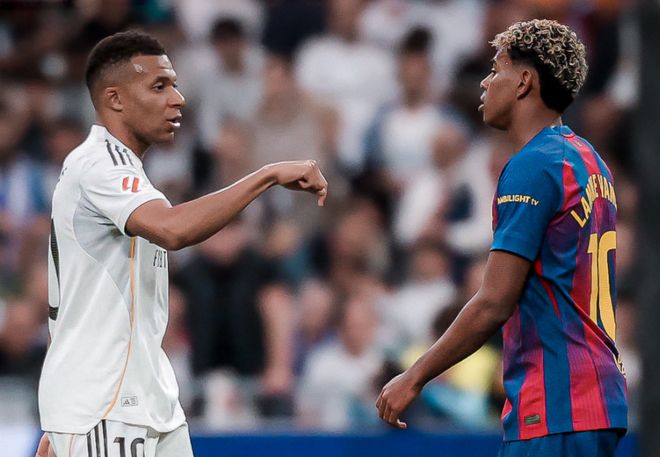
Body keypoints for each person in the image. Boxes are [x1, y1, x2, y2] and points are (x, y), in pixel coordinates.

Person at [35, 30, 327, 457]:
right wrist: (267, 175)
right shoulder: (100, 164)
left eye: (174, 84)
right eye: (160, 86)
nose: (178, 99)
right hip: (105, 403)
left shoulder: (122, 171)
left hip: (147, 400)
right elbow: (173, 230)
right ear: (115, 99)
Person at [376, 19, 627, 457]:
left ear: (524, 82)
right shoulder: (590, 161)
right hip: (598, 398)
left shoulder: (534, 164)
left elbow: (494, 301)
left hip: (555, 403)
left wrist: (414, 375)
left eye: (496, 70)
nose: (485, 83)